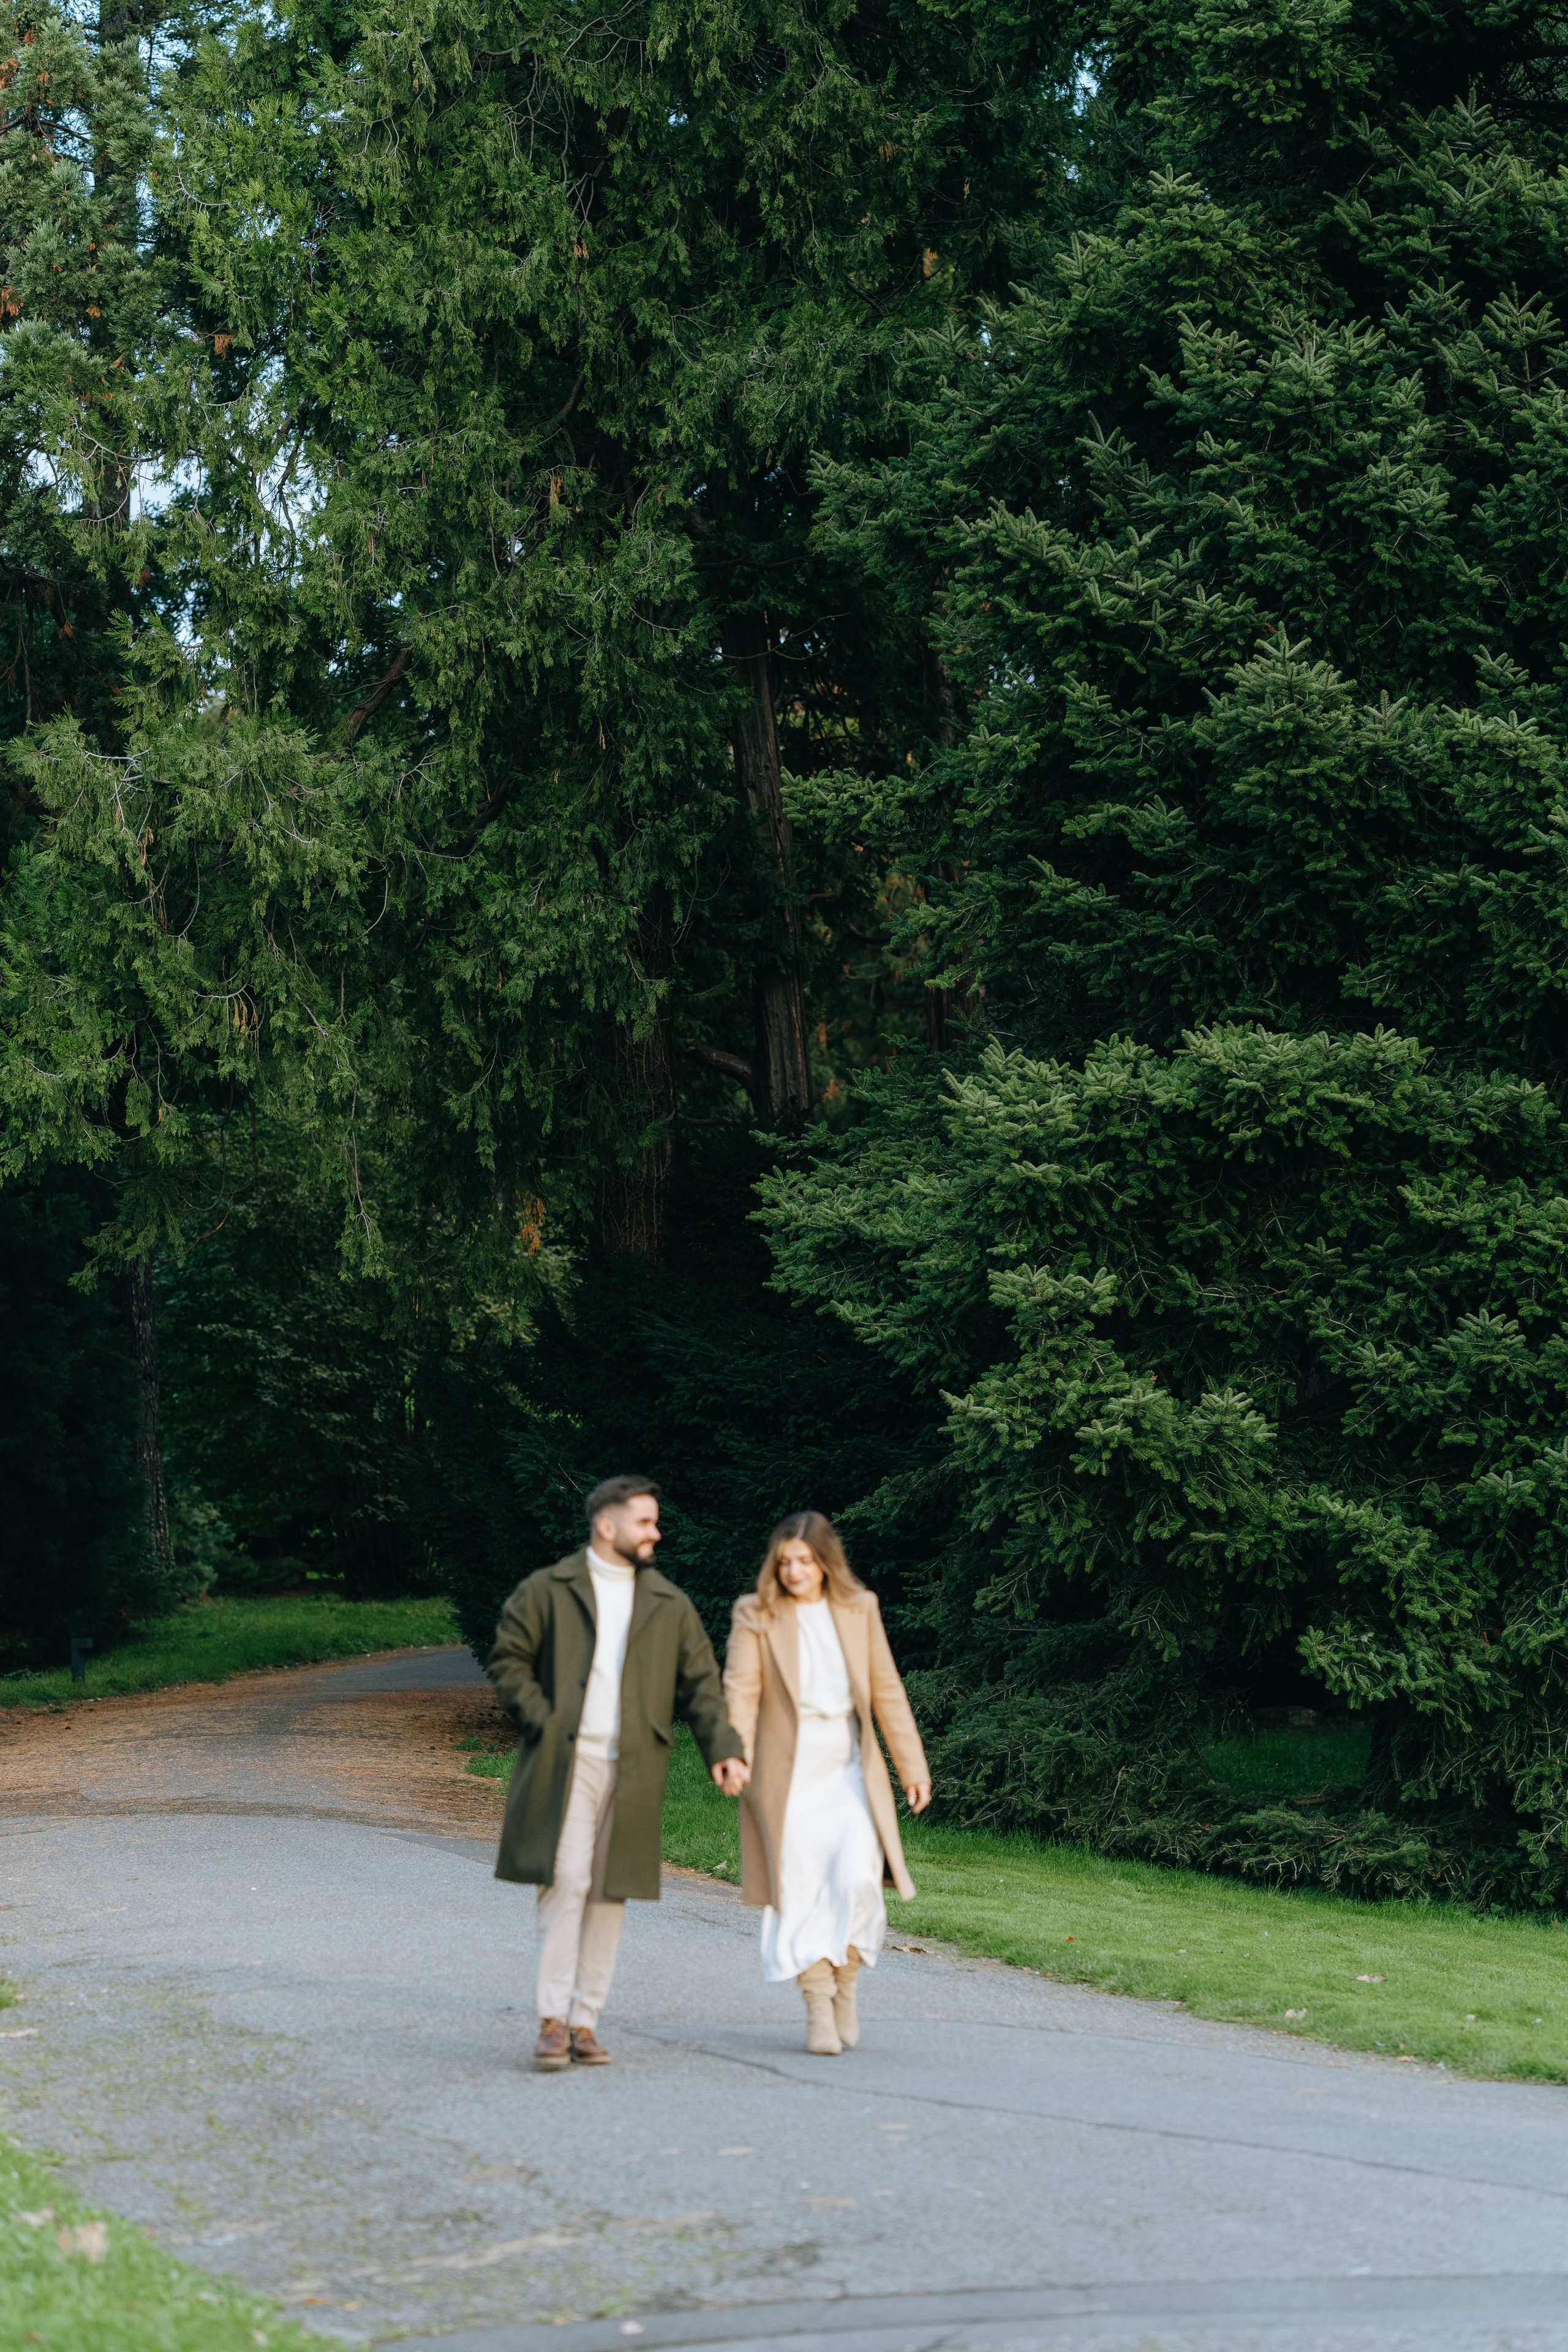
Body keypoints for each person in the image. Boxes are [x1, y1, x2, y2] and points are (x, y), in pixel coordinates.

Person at [487, 1474, 750, 2071]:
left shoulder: (668, 1603)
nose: (655, 1533)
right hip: (565, 1761)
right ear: (607, 1527)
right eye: (645, 1522)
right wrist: (543, 1722)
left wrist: (723, 1748)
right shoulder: (547, 1589)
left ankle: (586, 2023)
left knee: (609, 1892)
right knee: (566, 1879)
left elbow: (702, 1685)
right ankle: (552, 2021)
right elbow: (509, 1659)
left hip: (634, 1767)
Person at [723, 1510, 931, 2056]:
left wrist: (912, 1767)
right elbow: (740, 1692)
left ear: (824, 1562)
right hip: (786, 1777)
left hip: (848, 1773)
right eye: (784, 1561)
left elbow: (887, 1690)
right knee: (802, 1890)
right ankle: (817, 2000)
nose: (793, 1571)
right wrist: (734, 1755)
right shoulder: (756, 1614)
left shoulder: (859, 1608)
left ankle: (847, 1987)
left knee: (859, 1880)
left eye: (804, 1561)